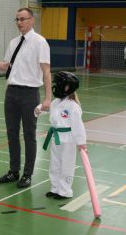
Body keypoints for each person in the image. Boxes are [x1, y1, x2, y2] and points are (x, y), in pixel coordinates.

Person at [0, 8, 51, 188]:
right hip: (11, 93)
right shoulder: (14, 42)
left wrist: (48, 98)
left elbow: (46, 71)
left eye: (23, 19)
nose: (19, 22)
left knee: (29, 134)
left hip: (30, 94)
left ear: (32, 20)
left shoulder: (40, 42)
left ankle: (27, 174)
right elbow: (7, 66)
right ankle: (14, 171)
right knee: (11, 133)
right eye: (17, 19)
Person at [41, 71, 87, 199]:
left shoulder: (73, 106)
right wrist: (38, 109)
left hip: (68, 140)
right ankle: (55, 188)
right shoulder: (56, 102)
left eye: (59, 84)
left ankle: (65, 191)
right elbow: (46, 108)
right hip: (56, 139)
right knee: (54, 164)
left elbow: (78, 126)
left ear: (67, 87)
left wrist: (81, 143)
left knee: (66, 165)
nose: (56, 86)